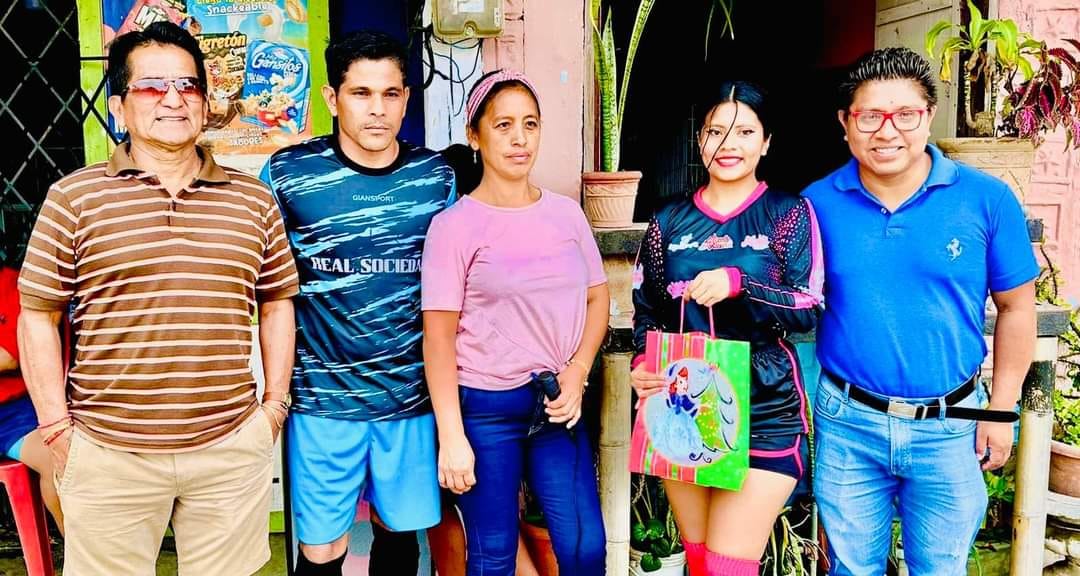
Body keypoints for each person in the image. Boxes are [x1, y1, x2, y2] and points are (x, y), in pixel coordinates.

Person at [17, 21, 298, 575]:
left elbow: (277, 304)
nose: (174, 99)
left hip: (228, 446)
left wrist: (273, 409)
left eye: (188, 85)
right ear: (119, 108)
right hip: (109, 451)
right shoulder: (74, 198)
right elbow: (38, 316)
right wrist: (56, 430)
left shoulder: (253, 200)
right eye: (151, 86)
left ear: (205, 102)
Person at [803, 47, 1037, 575]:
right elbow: (788, 302)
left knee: (941, 568)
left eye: (905, 114)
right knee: (850, 569)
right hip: (848, 423)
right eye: (870, 116)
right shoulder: (816, 204)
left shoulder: (987, 199)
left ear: (928, 117)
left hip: (953, 425)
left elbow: (1017, 307)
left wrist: (1000, 410)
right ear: (845, 123)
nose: (887, 131)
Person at [262, 30, 455, 575]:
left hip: (410, 399)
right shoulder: (287, 174)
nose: (377, 109)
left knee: (400, 535)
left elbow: (459, 286)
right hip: (321, 400)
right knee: (321, 548)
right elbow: (258, 277)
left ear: (406, 99)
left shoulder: (436, 178)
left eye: (390, 94)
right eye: (361, 93)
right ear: (332, 98)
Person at [629, 80, 823, 576]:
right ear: (700, 140)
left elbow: (808, 306)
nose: (728, 144)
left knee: (726, 565)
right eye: (716, 131)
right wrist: (642, 362)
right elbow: (646, 309)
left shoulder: (788, 213)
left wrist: (740, 283)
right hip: (683, 401)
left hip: (764, 402)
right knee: (699, 561)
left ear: (767, 142)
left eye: (744, 132)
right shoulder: (667, 221)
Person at [421, 69, 609, 576]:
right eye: (503, 125)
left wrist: (578, 371)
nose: (519, 138)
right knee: (493, 555)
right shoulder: (453, 227)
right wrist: (452, 436)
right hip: (484, 410)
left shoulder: (567, 215)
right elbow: (437, 339)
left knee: (584, 548)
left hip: (556, 406)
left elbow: (598, 298)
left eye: (530, 124)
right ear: (475, 135)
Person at [0, 261, 63, 532]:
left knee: (57, 461)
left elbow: (9, 356)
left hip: (12, 414)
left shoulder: (15, 285)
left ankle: (80, 554)